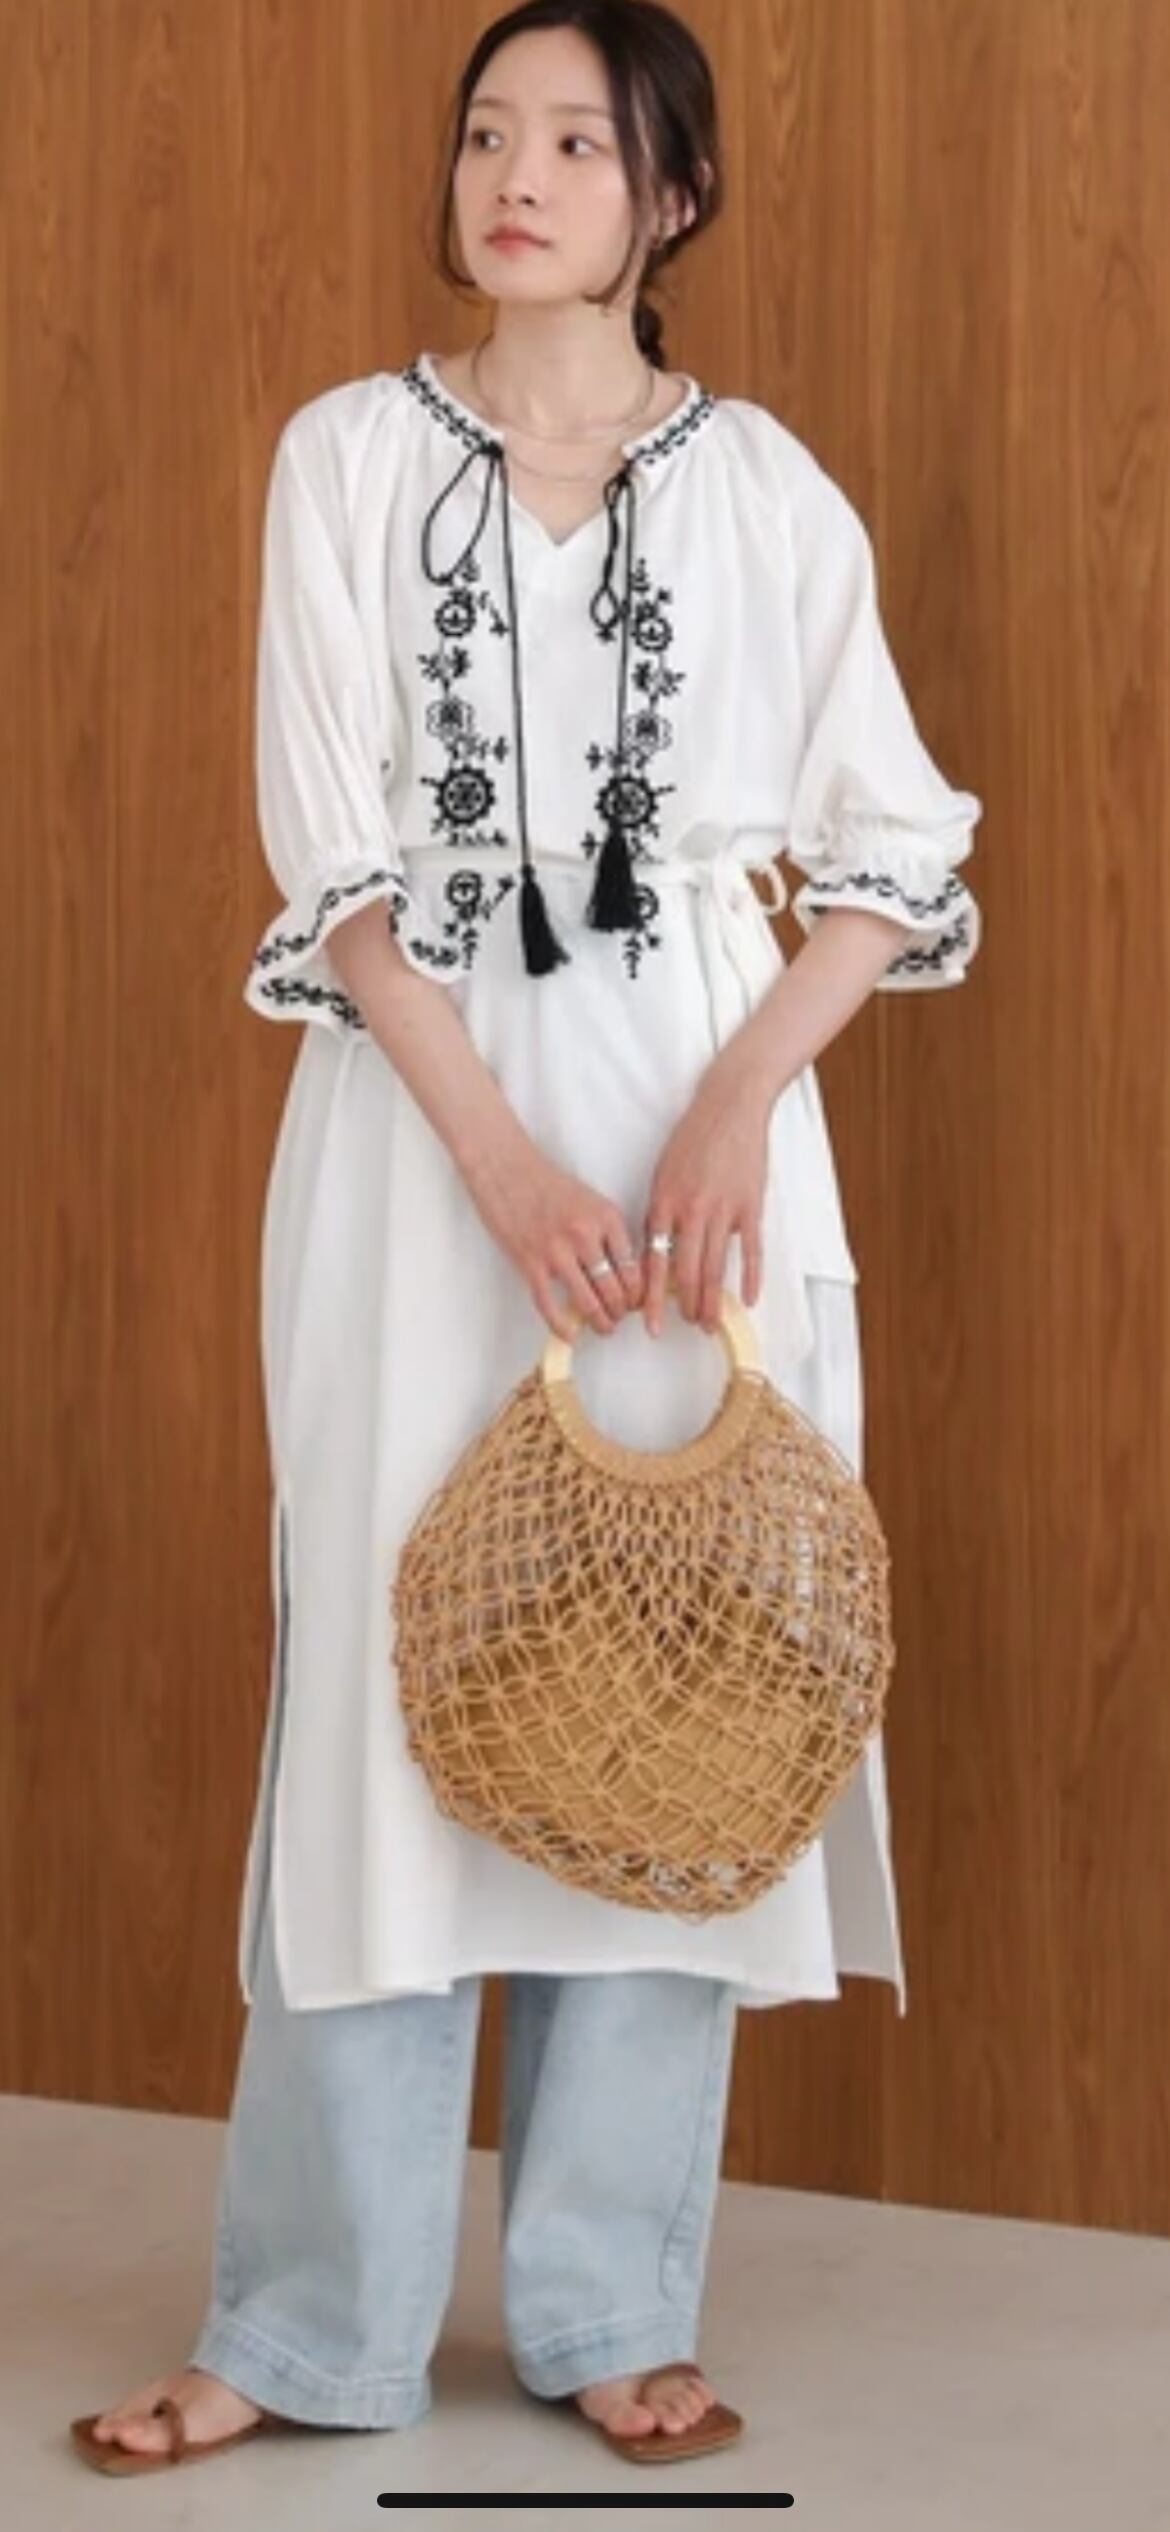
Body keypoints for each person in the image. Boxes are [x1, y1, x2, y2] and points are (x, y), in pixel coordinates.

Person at [73, 0, 981, 2478]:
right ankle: (304, 2324)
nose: (520, 172)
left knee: (667, 1688)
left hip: (700, 1145)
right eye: (491, 131)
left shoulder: (765, 493)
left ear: (669, 197)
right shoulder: (350, 461)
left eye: (580, 140)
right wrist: (498, 1157)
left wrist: (733, 1108)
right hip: (419, 1137)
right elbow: (339, 866)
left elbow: (898, 847)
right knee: (380, 1696)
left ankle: (603, 2305)